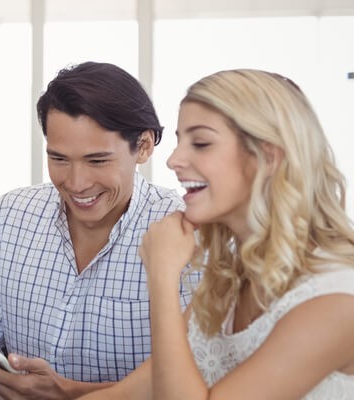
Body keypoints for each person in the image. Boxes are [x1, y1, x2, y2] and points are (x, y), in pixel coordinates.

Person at [85, 70, 354, 399]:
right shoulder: (230, 275)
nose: (173, 160)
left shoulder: (338, 299)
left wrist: (162, 275)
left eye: (201, 143)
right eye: (180, 141)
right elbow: (137, 390)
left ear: (268, 156)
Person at [0, 62, 199, 399]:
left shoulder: (188, 230)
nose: (76, 184)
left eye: (97, 161)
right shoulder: (10, 216)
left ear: (144, 147)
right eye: (59, 159)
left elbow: (199, 385)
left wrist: (65, 393)